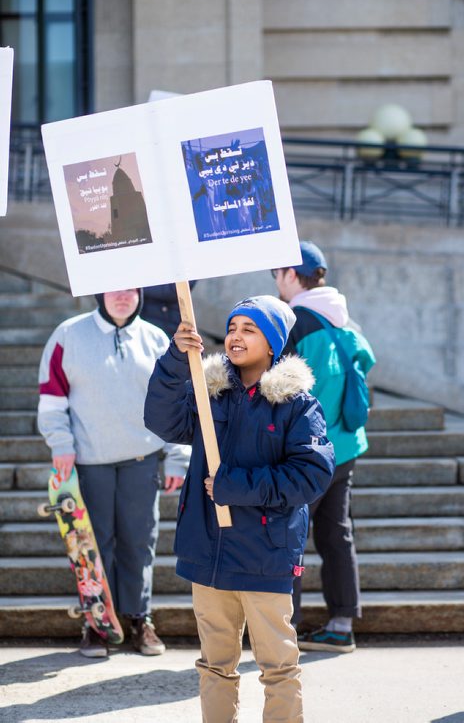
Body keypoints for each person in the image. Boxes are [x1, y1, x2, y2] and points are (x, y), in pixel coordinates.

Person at [144, 294, 334, 723]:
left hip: (265, 554)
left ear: (272, 343)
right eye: (232, 328)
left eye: (249, 329)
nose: (235, 337)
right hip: (209, 552)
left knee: (278, 667)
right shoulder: (211, 392)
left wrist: (234, 486)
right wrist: (177, 358)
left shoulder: (298, 405)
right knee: (214, 665)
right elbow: (160, 419)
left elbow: (310, 476)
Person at [37, 288, 190, 658]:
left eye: (130, 290)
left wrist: (177, 456)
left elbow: (175, 402)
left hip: (142, 459)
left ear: (140, 294)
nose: (122, 296)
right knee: (93, 546)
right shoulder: (68, 335)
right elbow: (52, 399)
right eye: (114, 290)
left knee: (139, 542)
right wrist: (61, 444)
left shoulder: (156, 339)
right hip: (90, 461)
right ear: (99, 294)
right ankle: (96, 623)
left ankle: (140, 619)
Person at [272, 240, 376, 653]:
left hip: (307, 452)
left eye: (277, 274)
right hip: (345, 446)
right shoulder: (346, 321)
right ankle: (341, 624)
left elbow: (281, 389)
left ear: (291, 276)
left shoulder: (295, 320)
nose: (277, 282)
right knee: (337, 534)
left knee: (288, 535)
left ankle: (284, 629)